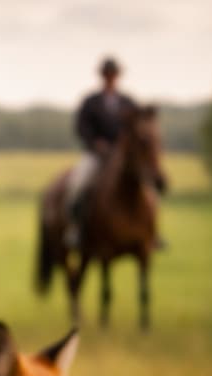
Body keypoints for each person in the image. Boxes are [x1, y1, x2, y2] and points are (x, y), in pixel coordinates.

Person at [66, 56, 137, 248]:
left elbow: (135, 128)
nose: (110, 78)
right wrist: (96, 143)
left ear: (118, 76)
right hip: (96, 156)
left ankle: (150, 231)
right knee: (77, 185)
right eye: (107, 75)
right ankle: (75, 229)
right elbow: (81, 127)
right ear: (102, 76)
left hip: (121, 158)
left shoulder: (128, 102)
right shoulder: (91, 102)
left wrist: (124, 144)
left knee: (146, 188)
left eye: (113, 75)